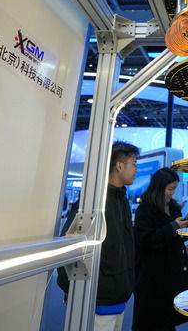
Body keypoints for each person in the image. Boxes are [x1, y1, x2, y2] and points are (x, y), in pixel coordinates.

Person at [57, 141, 139, 331]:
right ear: (120, 166)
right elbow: (68, 249)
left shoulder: (121, 201)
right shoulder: (94, 202)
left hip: (118, 298)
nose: (136, 169)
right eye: (134, 164)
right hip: (97, 302)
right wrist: (73, 291)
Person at [132, 167, 188, 331]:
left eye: (174, 189)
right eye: (170, 189)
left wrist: (187, 225)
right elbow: (146, 240)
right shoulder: (145, 210)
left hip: (172, 275)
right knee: (151, 321)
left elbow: (179, 239)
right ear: (159, 188)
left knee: (168, 321)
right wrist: (173, 226)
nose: (172, 193)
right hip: (153, 278)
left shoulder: (173, 207)